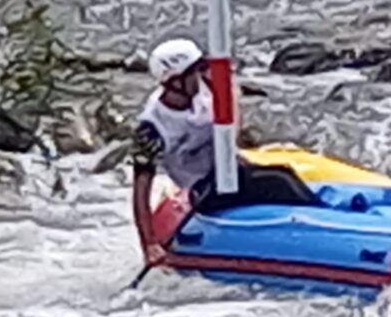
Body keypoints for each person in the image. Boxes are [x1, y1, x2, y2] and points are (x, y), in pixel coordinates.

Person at [132, 38, 320, 265]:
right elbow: (141, 190)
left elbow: (232, 106)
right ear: (175, 81)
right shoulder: (151, 128)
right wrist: (149, 245)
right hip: (203, 189)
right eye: (194, 72)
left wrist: (227, 91)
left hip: (229, 171)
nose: (200, 76)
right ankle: (316, 227)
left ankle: (317, 213)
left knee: (283, 174)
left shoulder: (204, 88)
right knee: (277, 183)